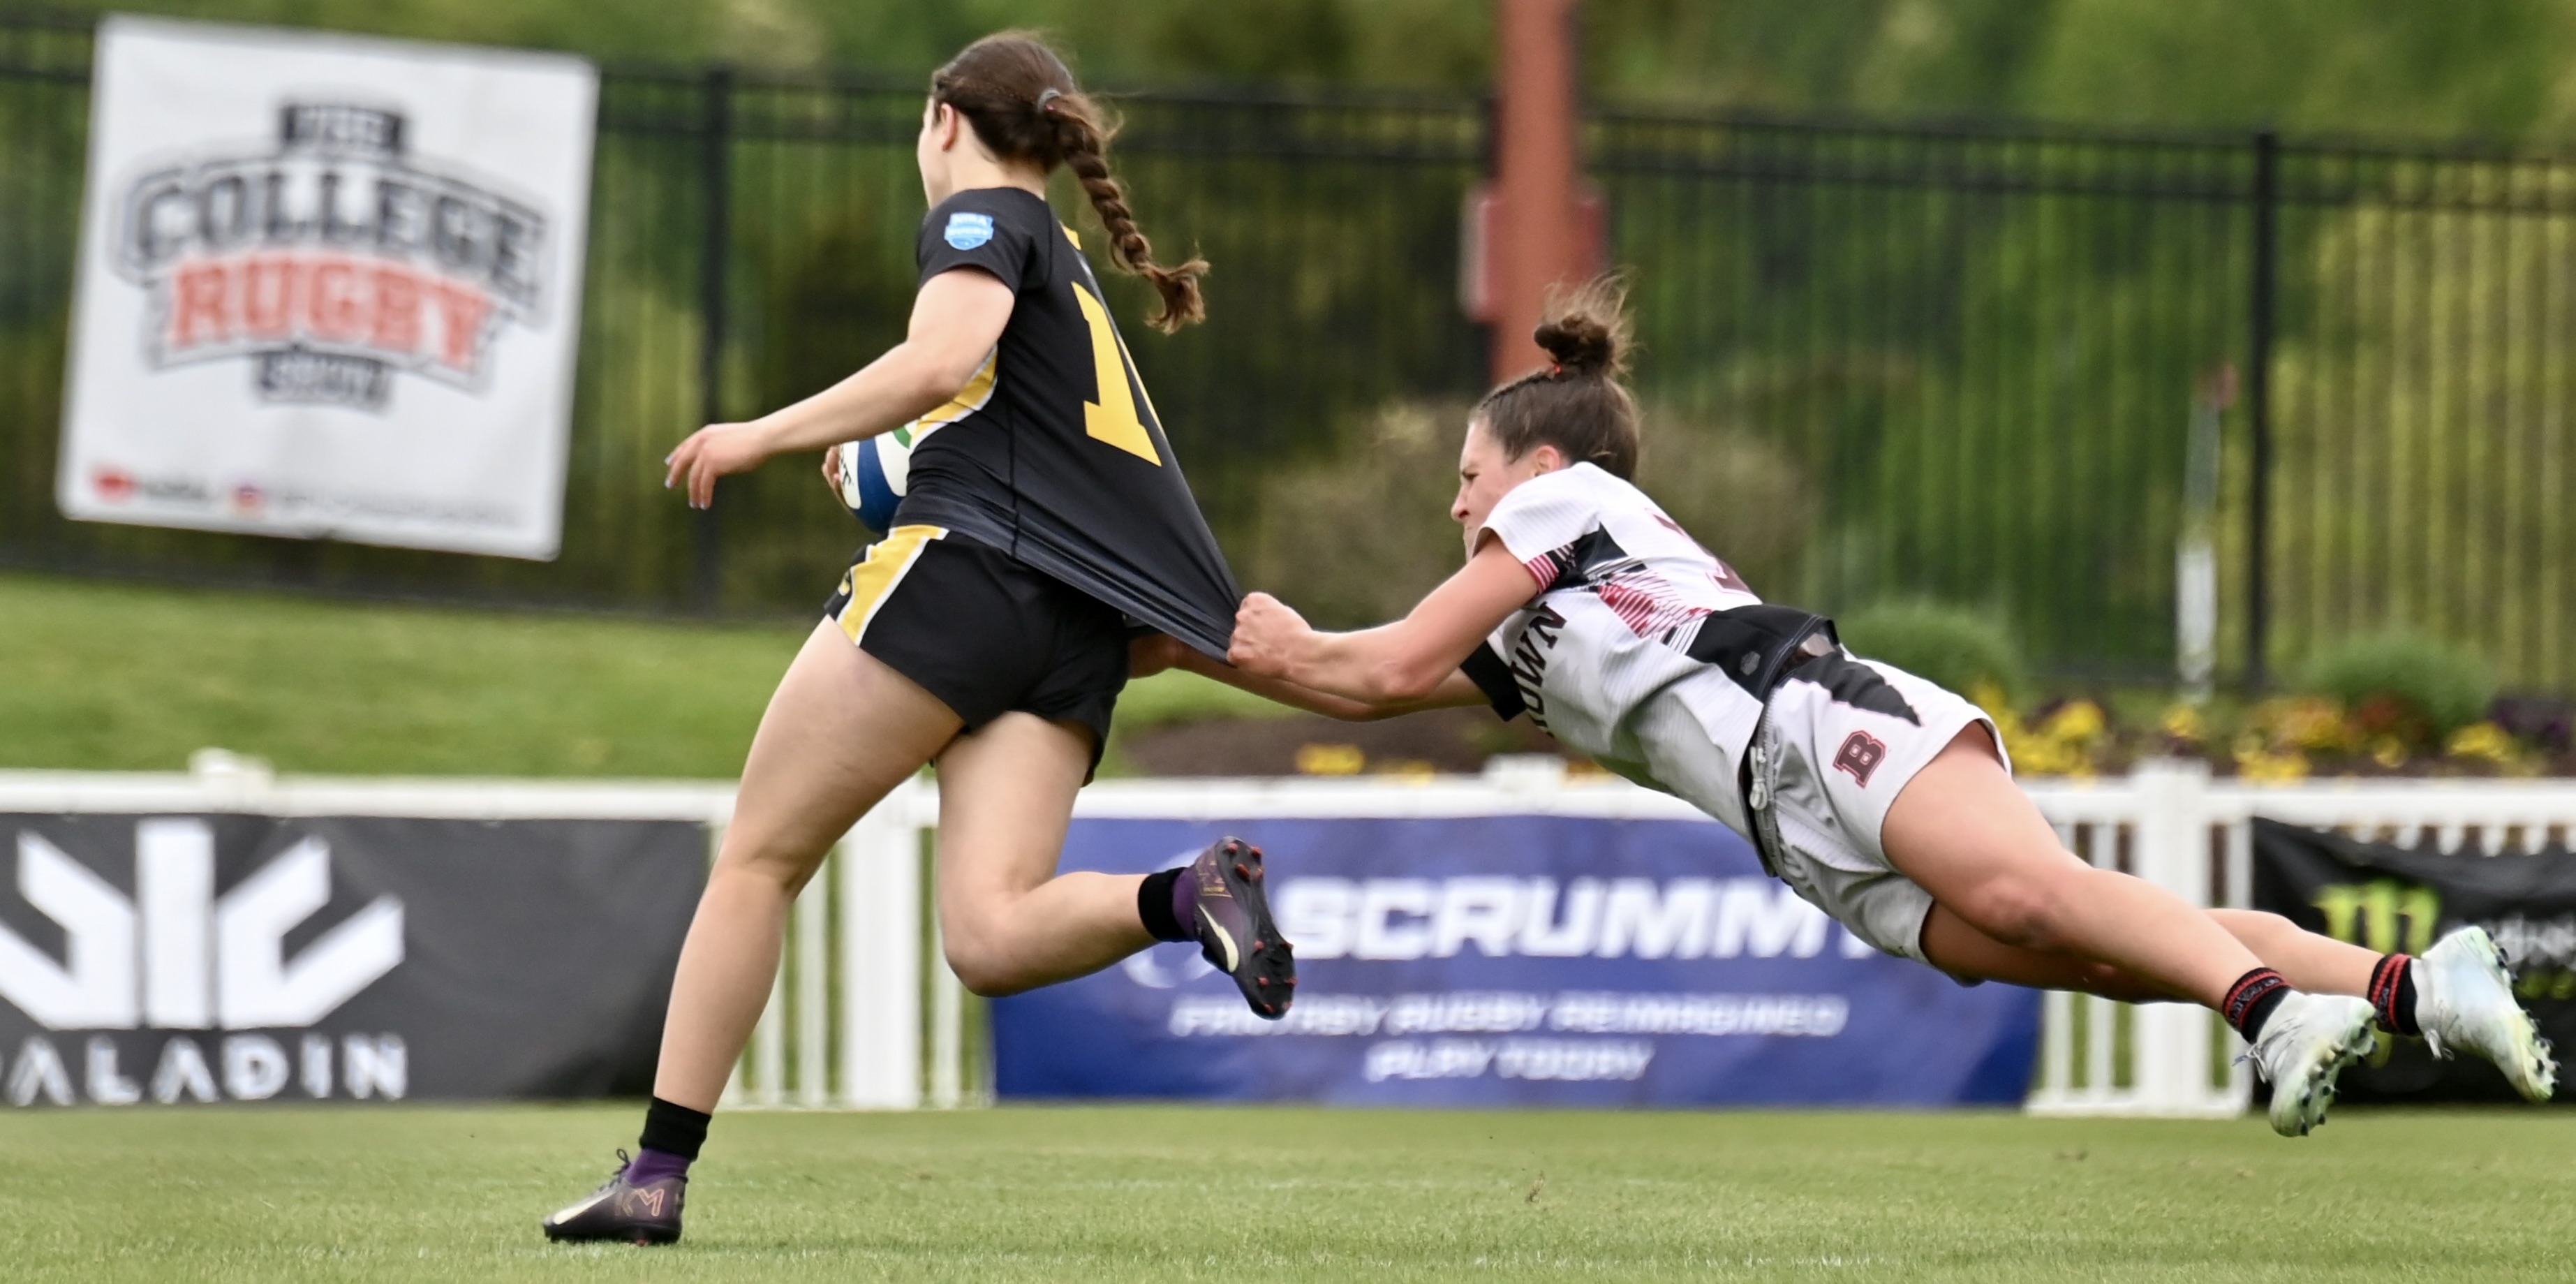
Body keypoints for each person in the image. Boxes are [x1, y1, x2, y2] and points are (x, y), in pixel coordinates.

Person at [1222, 277, 2557, 1137]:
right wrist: (1178, 644)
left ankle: (2268, 1007)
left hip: (1816, 717)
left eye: (1468, 475)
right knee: (2105, 945)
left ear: (1542, 465)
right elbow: (1349, 679)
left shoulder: (1567, 505)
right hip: (1799, 832)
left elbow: (1384, 665)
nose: (1454, 502)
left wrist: (1265, 641)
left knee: (2047, 903)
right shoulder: (1521, 632)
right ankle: (2420, 988)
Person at [545, 32, 1302, 1245]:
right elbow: (1004, 415)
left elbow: (939, 357)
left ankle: (655, 1176)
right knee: (992, 937)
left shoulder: (979, 219)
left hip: (965, 587)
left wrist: (759, 433)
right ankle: (1182, 896)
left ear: (944, 119)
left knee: (757, 862)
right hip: (1072, 630)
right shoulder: (1066, 262)